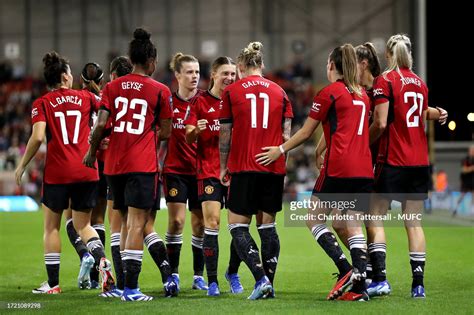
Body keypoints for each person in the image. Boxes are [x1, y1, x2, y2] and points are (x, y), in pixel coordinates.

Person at [256, 44, 372, 301]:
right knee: (351, 224)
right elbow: (343, 129)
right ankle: (360, 286)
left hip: (339, 167)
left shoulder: (329, 93)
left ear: (331, 65)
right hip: (364, 168)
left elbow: (306, 131)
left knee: (313, 218)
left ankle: (345, 270)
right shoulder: (362, 94)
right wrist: (321, 149)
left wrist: (280, 149)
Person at [83, 28, 175, 301]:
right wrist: (146, 134)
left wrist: (90, 152)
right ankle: (132, 290)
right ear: (151, 61)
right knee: (137, 225)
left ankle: (122, 286)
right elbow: (167, 132)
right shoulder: (160, 90)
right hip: (141, 165)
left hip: (113, 166)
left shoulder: (111, 87)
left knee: (122, 225)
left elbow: (100, 125)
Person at [14, 51, 115, 294]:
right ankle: (102, 260)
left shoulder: (42, 103)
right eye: (70, 72)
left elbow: (38, 137)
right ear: (65, 77)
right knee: (84, 225)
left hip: (57, 174)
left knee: (51, 228)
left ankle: (53, 284)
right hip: (86, 169)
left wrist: (22, 164)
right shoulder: (85, 97)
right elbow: (106, 117)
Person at [220, 42, 293, 300]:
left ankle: (260, 279)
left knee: (237, 227)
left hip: (244, 165)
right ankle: (269, 284)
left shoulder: (231, 92)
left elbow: (225, 134)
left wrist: (223, 166)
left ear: (240, 67)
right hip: (273, 167)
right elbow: (286, 134)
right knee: (268, 227)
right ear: (261, 65)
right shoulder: (281, 92)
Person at [369, 34, 440, 298]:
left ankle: (380, 279)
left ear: (388, 54)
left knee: (374, 217)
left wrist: (361, 143)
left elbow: (381, 122)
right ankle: (418, 285)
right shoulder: (420, 84)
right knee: (413, 223)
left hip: (393, 160)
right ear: (409, 54)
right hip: (419, 162)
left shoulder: (385, 80)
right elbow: (417, 114)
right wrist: (437, 113)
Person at [185, 56, 243, 296]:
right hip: (208, 171)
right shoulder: (200, 102)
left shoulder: (239, 101)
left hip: (237, 170)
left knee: (239, 226)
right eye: (225, 74)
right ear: (214, 75)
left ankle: (232, 271)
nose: (230, 78)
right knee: (212, 224)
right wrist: (195, 131)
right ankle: (212, 282)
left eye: (233, 74)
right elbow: (188, 135)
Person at [161, 52, 207, 291]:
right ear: (177, 75)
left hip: (200, 171)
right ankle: (174, 273)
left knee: (199, 225)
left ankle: (198, 275)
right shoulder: (168, 102)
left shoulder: (205, 101)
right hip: (175, 170)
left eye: (197, 72)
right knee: (177, 222)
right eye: (189, 72)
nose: (194, 76)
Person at [63, 61, 106, 289]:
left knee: (73, 220)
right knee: (98, 220)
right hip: (104, 165)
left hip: (82, 163)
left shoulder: (77, 99)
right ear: (101, 81)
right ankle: (100, 276)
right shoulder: (105, 99)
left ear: (80, 80)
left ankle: (84, 255)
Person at [453, 145, 474, 216]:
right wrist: (472, 168)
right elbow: (464, 170)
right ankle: (456, 208)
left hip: (472, 181)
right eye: (472, 150)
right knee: (462, 196)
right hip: (466, 181)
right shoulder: (465, 160)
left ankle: (472, 211)